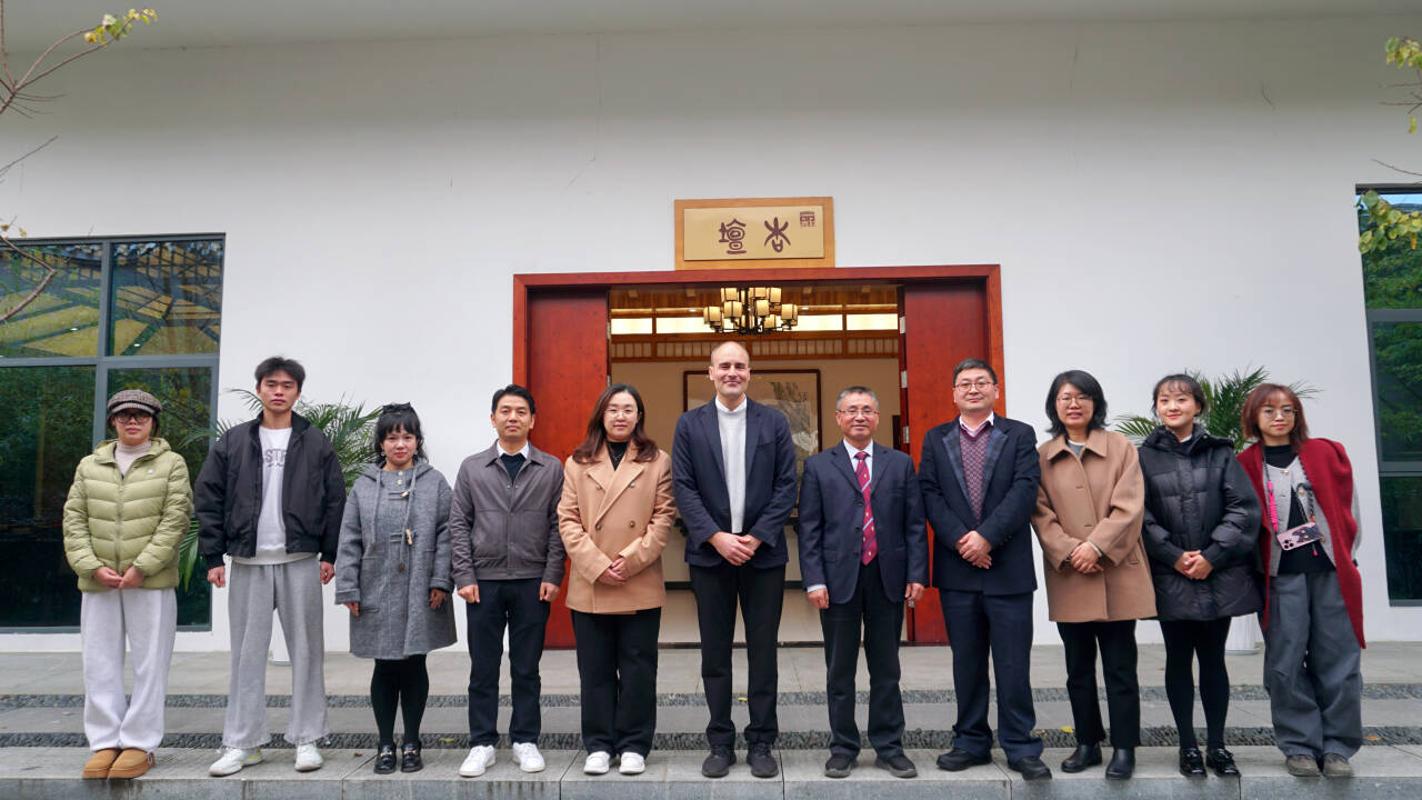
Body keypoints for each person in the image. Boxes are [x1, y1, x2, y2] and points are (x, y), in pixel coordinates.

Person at [196, 356, 345, 777]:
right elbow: (208, 496)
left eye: (287, 385)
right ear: (259, 388)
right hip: (248, 561)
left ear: (298, 392)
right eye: (271, 384)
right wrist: (213, 556)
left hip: (300, 559)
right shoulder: (233, 441)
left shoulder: (315, 442)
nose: (279, 391)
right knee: (246, 656)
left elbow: (335, 498)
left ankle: (307, 738)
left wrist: (330, 554)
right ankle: (243, 743)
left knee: (307, 653)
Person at [918, 358, 1050, 781]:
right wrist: (964, 540)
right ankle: (970, 740)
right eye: (964, 384)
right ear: (954, 394)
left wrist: (987, 538)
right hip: (958, 570)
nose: (972, 389)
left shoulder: (1020, 434)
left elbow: (1024, 490)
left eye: (981, 382)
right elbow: (930, 494)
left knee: (1013, 664)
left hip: (1007, 569)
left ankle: (1020, 745)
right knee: (967, 662)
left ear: (995, 389)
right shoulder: (936, 438)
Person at [672, 341, 798, 780]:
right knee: (715, 653)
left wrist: (757, 537)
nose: (732, 372)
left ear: (749, 373)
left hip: (764, 557)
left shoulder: (773, 422)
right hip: (711, 557)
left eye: (739, 366)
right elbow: (683, 487)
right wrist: (717, 537)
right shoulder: (689, 424)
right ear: (710, 372)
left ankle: (762, 740)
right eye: (724, 365)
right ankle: (720, 742)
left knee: (763, 652)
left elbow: (787, 484)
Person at [797, 386, 927, 780]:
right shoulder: (819, 466)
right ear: (838, 417)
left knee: (886, 669)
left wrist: (916, 574)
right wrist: (814, 579)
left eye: (867, 410)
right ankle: (843, 748)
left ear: (877, 416)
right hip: (838, 580)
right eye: (851, 410)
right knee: (840, 671)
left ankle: (889, 747)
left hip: (888, 577)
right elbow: (809, 528)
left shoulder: (899, 463)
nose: (859, 416)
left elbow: (914, 524)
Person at [63, 389, 192, 781]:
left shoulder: (171, 464)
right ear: (113, 421)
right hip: (99, 581)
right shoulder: (89, 465)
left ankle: (139, 742)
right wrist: (90, 566)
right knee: (98, 661)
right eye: (124, 415)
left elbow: (176, 518)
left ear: (153, 422)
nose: (132, 421)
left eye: (141, 415)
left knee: (151, 662)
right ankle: (104, 741)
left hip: (149, 581)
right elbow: (73, 519)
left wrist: (143, 566)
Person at [1030, 371, 1153, 780]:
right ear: (1054, 406)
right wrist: (1070, 550)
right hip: (1071, 575)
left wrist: (1096, 546)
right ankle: (1087, 742)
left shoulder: (1120, 447)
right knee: (1078, 669)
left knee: (1120, 668)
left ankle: (1124, 747)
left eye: (1082, 396)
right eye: (1065, 397)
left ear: (1096, 402)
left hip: (1116, 571)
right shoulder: (1043, 455)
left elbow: (1130, 506)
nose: (1074, 404)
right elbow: (1040, 513)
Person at [1237, 384, 1364, 779]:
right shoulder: (1244, 463)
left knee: (1339, 659)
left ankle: (1338, 747)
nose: (1280, 417)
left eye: (1288, 410)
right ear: (1254, 417)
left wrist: (1347, 554)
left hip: (1330, 573)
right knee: (1285, 663)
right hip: (1280, 578)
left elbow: (1349, 508)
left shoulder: (1325, 453)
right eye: (1269, 410)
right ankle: (1299, 746)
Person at [1138, 374, 1261, 778]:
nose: (1172, 407)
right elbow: (1139, 515)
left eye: (1181, 399)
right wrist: (1173, 556)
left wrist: (1212, 555)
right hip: (1170, 574)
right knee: (1177, 658)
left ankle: (1218, 746)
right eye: (1164, 400)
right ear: (1156, 408)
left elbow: (1242, 509)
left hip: (1217, 573)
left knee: (1213, 660)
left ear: (1198, 406)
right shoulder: (1143, 457)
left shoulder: (1221, 453)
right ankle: (1187, 746)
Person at [449, 384, 566, 778]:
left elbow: (558, 525)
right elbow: (458, 524)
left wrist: (553, 573)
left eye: (520, 411)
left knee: (526, 668)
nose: (512, 417)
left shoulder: (550, 468)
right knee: (483, 668)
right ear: (493, 418)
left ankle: (525, 740)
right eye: (505, 411)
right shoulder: (472, 467)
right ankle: (481, 743)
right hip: (483, 582)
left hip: (533, 581)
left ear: (532, 420)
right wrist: (464, 575)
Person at [558, 384, 675, 777]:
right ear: (601, 415)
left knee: (639, 668)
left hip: (637, 578)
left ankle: (634, 744)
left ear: (639, 415)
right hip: (591, 581)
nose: (621, 416)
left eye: (628, 409)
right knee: (595, 669)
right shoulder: (577, 462)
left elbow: (663, 517)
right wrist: (596, 564)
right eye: (613, 409)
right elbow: (567, 520)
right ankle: (598, 744)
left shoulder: (657, 460)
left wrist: (630, 559)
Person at [334, 403, 456, 774]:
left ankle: (413, 741)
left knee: (415, 663)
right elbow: (349, 537)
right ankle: (385, 742)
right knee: (384, 665)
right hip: (376, 585)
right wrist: (349, 587)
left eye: (407, 436)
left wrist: (441, 580)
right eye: (392, 437)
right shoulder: (364, 485)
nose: (400, 444)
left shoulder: (434, 482)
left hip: (421, 586)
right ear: (381, 443)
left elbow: (448, 534)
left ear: (418, 441)